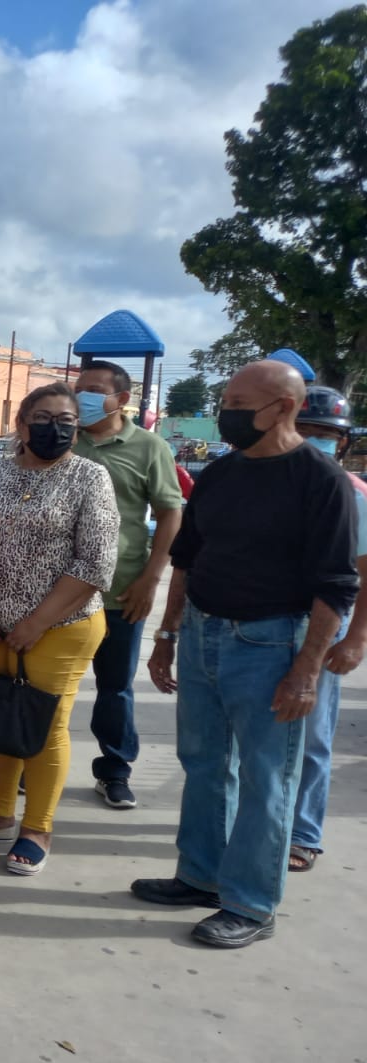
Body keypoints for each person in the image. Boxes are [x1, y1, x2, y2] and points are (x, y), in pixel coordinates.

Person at [134, 363, 359, 947]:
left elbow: (337, 585)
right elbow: (187, 558)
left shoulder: (320, 481)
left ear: (284, 407)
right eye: (226, 400)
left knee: (267, 776)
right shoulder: (221, 473)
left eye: (238, 403)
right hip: (204, 634)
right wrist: (168, 635)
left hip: (272, 643)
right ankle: (201, 875)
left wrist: (307, 670)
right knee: (204, 761)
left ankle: (252, 905)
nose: (225, 412)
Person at [0, 383, 119, 876]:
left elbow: (95, 562)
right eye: (42, 418)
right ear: (20, 425)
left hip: (60, 626)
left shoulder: (89, 477)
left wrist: (35, 623)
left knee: (44, 723)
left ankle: (37, 826)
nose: (54, 428)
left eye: (65, 420)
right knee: (0, 715)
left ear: (77, 428)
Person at [71, 360, 183, 811]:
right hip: (57, 591)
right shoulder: (64, 439)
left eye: (94, 389)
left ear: (121, 399)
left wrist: (151, 580)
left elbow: (170, 512)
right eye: (78, 388)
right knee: (45, 682)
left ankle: (114, 770)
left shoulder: (149, 447)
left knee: (115, 687)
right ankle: (31, 759)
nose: (82, 397)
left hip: (121, 590)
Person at [289, 385, 367, 871]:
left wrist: (357, 638)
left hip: (325, 628)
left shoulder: (354, 494)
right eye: (304, 430)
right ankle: (252, 820)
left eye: (325, 433)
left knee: (312, 736)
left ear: (342, 441)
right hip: (261, 623)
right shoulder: (268, 483)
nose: (314, 440)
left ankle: (302, 833)